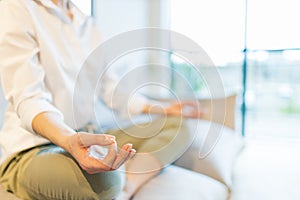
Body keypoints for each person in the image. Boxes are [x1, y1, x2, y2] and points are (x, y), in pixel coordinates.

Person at [0, 0, 202, 199]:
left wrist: (163, 109)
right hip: (35, 147)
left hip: (89, 137)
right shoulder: (17, 8)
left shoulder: (87, 24)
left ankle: (128, 187)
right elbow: (29, 99)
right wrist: (69, 140)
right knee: (105, 184)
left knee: (178, 127)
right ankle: (117, 183)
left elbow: (109, 88)